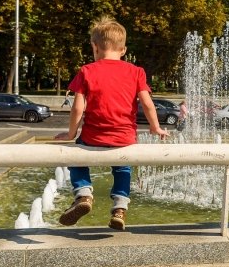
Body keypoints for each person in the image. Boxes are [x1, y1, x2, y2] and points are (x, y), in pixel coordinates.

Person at [55, 17, 170, 230]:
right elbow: (148, 104)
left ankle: (83, 195)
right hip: (124, 138)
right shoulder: (136, 72)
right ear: (123, 49)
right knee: (123, 168)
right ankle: (120, 208)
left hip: (93, 137)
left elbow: (78, 108)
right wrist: (155, 128)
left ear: (94, 46)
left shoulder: (87, 71)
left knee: (76, 158)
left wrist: (71, 133)